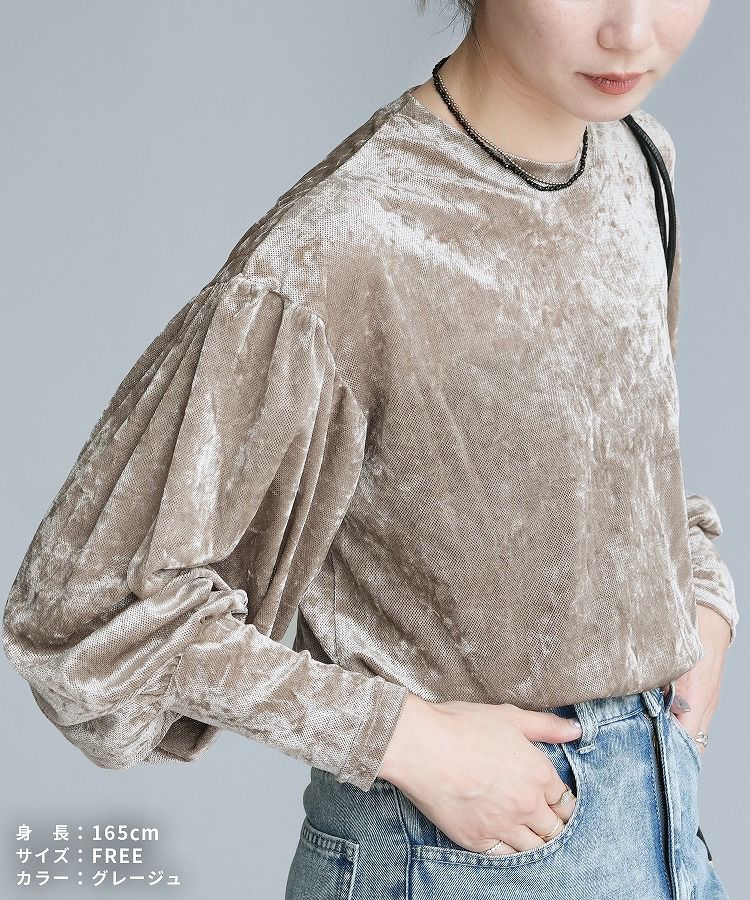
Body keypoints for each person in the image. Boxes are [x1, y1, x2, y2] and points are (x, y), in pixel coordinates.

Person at [2, 1, 738, 898]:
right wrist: (401, 738)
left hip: (663, 832)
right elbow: (80, 616)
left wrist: (704, 597)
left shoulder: (637, 159)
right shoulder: (350, 240)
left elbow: (610, 461)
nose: (632, 30)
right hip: (458, 857)